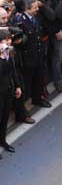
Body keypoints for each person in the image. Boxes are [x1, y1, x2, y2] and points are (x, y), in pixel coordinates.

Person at [0, 29, 22, 158]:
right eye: (4, 40)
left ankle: (3, 140)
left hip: (8, 90)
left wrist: (17, 86)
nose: (7, 42)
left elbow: (13, 71)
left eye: (8, 40)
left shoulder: (9, 53)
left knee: (4, 118)